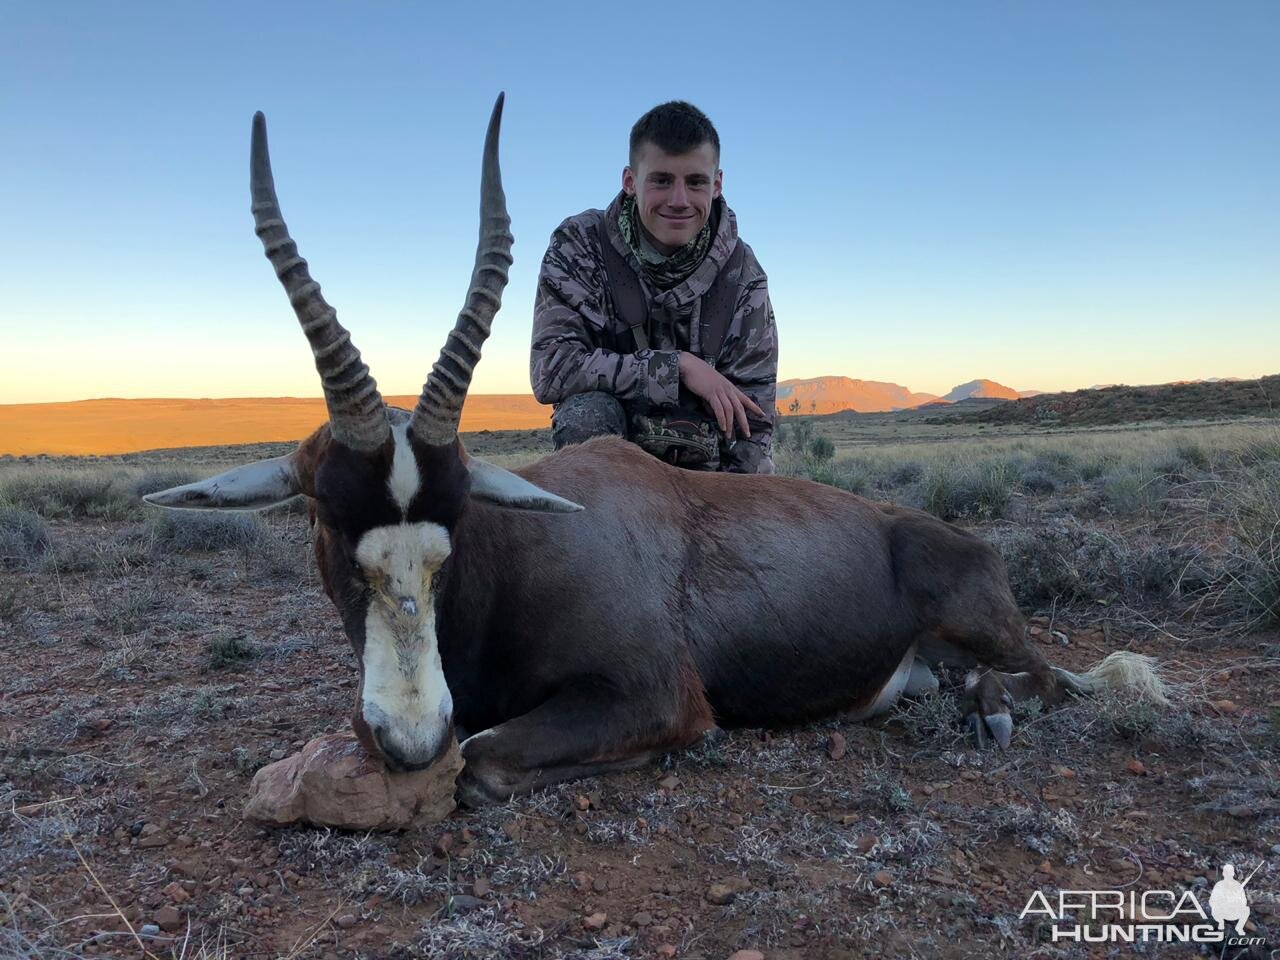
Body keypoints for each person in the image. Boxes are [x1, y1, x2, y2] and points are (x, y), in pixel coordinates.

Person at [530, 101, 778, 474]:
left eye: (695, 182)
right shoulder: (579, 244)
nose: (679, 201)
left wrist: (738, 518)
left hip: (703, 477)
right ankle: (600, 531)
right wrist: (676, 368)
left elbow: (753, 427)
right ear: (630, 181)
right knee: (586, 414)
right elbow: (552, 370)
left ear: (717, 184)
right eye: (661, 180)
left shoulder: (744, 276)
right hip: (610, 469)